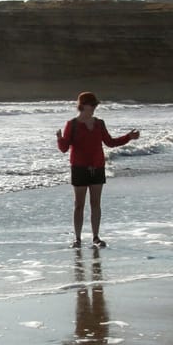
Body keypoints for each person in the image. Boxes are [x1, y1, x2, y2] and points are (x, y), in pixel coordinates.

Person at [56, 92, 140, 248]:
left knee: (96, 204)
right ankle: (78, 239)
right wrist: (59, 139)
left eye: (95, 105)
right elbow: (64, 148)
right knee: (79, 205)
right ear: (83, 106)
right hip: (79, 168)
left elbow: (110, 142)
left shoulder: (99, 123)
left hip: (97, 167)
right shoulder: (72, 124)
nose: (94, 108)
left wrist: (129, 137)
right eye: (92, 105)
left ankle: (95, 237)